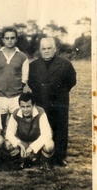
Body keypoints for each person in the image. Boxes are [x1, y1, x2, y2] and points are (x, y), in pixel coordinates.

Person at [28, 37, 76, 166]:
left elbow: (71, 82)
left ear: (55, 49)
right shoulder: (33, 65)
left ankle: (60, 156)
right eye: (44, 49)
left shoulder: (65, 64)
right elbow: (31, 83)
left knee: (60, 128)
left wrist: (58, 92)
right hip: (41, 102)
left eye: (49, 48)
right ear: (40, 50)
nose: (46, 51)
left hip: (59, 102)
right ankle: (40, 154)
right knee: (41, 128)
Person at [0, 26, 29, 130]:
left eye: (12, 38)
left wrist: (15, 88)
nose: (10, 40)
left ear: (16, 39)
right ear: (3, 39)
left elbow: (24, 78)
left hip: (16, 98)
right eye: (7, 38)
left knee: (17, 127)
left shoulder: (23, 57)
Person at [4, 93, 54, 171]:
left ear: (34, 105)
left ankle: (44, 162)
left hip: (36, 143)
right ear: (19, 106)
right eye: (22, 107)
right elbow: (9, 134)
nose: (25, 109)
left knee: (49, 144)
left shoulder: (40, 112)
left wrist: (32, 147)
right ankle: (19, 161)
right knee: (7, 143)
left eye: (28, 106)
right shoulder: (15, 113)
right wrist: (19, 144)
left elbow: (47, 134)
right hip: (23, 143)